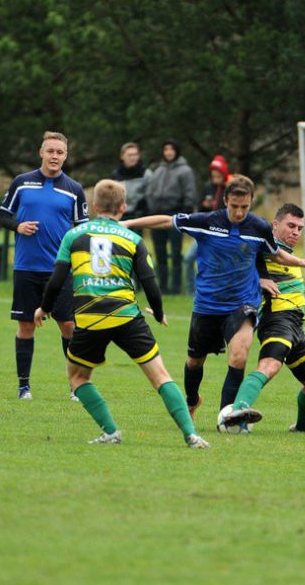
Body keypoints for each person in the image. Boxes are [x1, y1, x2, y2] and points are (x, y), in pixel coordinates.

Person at [124, 175, 305, 429]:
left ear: (250, 203)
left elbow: (275, 254)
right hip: (207, 305)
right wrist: (128, 222)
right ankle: (193, 399)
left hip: (242, 305)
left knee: (239, 357)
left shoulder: (258, 227)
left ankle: (228, 418)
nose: (239, 212)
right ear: (225, 200)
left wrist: (300, 262)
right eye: (234, 206)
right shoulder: (207, 221)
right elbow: (165, 220)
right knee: (195, 362)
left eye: (245, 207)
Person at [33, 179, 209, 448]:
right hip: (127, 316)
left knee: (78, 377)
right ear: (123, 208)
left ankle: (111, 431)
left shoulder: (74, 236)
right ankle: (191, 435)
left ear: (93, 206)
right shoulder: (133, 239)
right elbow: (149, 281)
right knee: (161, 376)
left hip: (90, 318)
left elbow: (56, 280)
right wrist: (159, 312)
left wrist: (44, 308)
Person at [222, 203, 305, 434]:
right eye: (291, 226)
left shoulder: (287, 254)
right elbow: (236, 262)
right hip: (276, 319)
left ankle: (302, 427)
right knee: (270, 365)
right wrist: (258, 280)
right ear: (275, 224)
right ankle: (235, 414)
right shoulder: (264, 248)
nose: (296, 232)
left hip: (296, 326)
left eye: (300, 228)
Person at [0, 131, 88, 400]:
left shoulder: (74, 189)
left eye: (60, 152)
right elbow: (3, 215)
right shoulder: (21, 183)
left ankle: (75, 386)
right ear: (41, 152)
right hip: (26, 268)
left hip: (60, 270)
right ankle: (24, 386)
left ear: (66, 156)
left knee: (69, 326)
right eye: (50, 151)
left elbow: (83, 230)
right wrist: (18, 225)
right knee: (26, 326)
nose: (54, 156)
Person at [145, 139, 197, 294]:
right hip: (157, 214)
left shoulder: (185, 171)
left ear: (176, 151)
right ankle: (163, 286)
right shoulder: (158, 170)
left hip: (175, 215)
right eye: (165, 149)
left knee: (175, 252)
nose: (168, 152)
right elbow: (150, 191)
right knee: (159, 252)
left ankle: (175, 287)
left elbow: (190, 193)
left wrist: (184, 214)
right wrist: (151, 206)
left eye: (171, 149)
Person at [185, 155, 230, 295]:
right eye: (213, 175)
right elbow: (199, 208)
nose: (216, 178)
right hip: (204, 231)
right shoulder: (207, 187)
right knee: (188, 258)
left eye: (218, 175)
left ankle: (218, 291)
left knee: (216, 264)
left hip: (222, 233)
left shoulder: (229, 188)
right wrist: (204, 206)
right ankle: (191, 291)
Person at [112, 142, 151, 220]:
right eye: (130, 155)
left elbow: (150, 198)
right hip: (119, 216)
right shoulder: (116, 175)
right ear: (122, 156)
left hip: (138, 217)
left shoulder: (146, 174)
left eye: (135, 155)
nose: (133, 158)